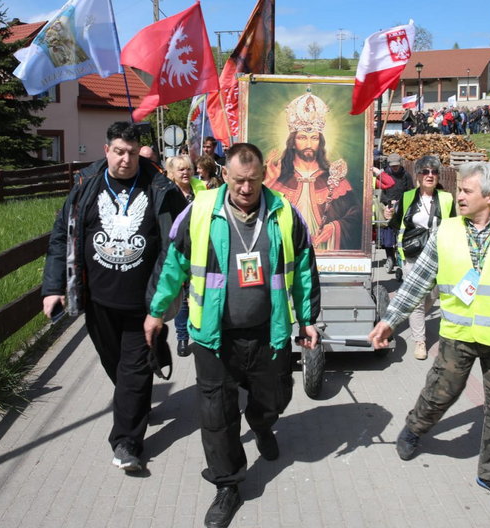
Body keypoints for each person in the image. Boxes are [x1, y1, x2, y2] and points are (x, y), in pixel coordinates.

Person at [144, 143, 321, 528]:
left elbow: (304, 266)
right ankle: (227, 484)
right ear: (225, 175)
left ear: (264, 177)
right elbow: (172, 262)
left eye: (253, 181)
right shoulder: (201, 210)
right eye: (239, 180)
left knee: (276, 396)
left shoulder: (284, 213)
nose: (245, 189)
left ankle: (260, 422)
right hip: (213, 335)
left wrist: (307, 319)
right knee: (217, 415)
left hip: (267, 331)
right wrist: (157, 312)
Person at [368, 161, 490, 507]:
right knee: (440, 394)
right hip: (457, 335)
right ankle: (414, 428)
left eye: (465, 191)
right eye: (458, 190)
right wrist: (389, 320)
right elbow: (417, 281)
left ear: (489, 196)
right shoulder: (447, 231)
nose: (458, 196)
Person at [41, 121, 187, 472]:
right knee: (117, 367)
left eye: (132, 153)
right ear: (106, 150)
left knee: (133, 373)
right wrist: (53, 287)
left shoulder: (160, 188)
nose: (125, 160)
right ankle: (135, 400)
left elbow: (175, 244)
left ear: (140, 152)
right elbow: (63, 235)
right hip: (98, 301)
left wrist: (165, 299)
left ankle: (126, 443)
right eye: (119, 152)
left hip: (143, 303)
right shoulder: (86, 186)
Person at [264, 91, 362, 251]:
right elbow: (259, 215)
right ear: (293, 143)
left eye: (314, 138)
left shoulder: (335, 178)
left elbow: (356, 215)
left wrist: (334, 227)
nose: (309, 143)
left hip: (324, 253)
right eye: (302, 137)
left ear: (320, 142)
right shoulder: (278, 178)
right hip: (288, 252)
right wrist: (268, 183)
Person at [387, 155, 455, 360]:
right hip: (412, 255)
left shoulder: (446, 198)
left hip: (437, 255)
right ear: (417, 175)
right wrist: (389, 216)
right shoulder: (408, 197)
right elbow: (397, 223)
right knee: (417, 300)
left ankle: (413, 318)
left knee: (432, 295)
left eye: (434, 172)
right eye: (425, 171)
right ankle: (420, 341)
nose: (430, 175)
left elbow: (453, 226)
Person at [166, 154, 208, 356]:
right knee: (182, 298)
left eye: (188, 168)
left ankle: (201, 333)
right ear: (172, 173)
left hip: (200, 248)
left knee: (200, 293)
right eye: (181, 169)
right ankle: (182, 337)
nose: (186, 172)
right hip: (178, 250)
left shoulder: (201, 187)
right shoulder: (167, 192)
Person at [372, 153, 415, 273]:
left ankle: (402, 256)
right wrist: (387, 202)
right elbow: (382, 193)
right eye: (393, 166)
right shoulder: (385, 175)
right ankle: (390, 257)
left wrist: (402, 202)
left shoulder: (406, 175)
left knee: (401, 234)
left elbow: (410, 190)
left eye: (397, 165)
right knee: (388, 234)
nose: (395, 168)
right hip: (388, 207)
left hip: (402, 206)